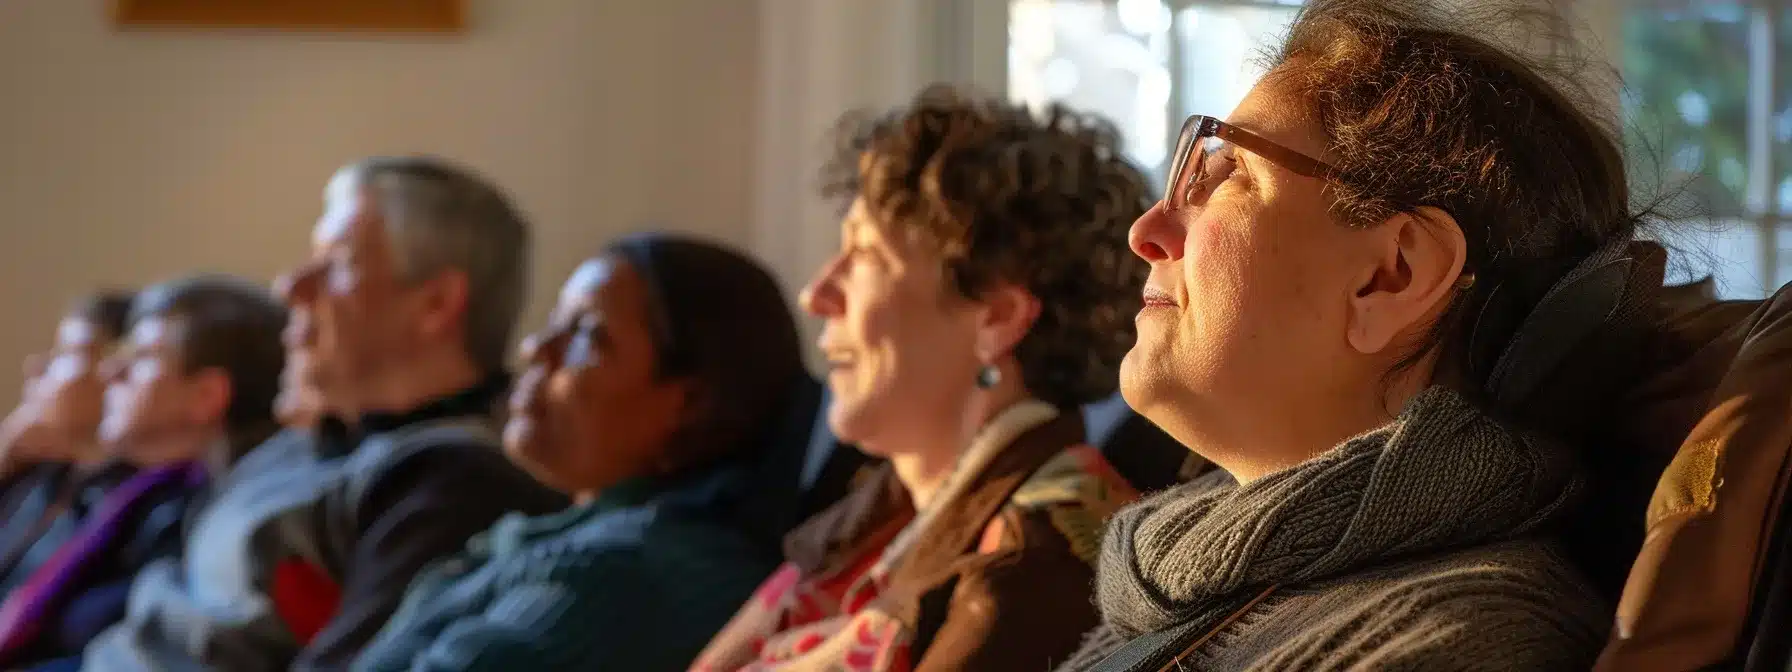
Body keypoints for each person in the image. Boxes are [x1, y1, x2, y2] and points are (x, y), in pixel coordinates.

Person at [1057, 0, 1654, 669]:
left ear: (1392, 277)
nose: (1147, 232)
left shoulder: (1460, 644)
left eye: (1230, 175)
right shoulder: (1201, 588)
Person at [691, 86, 1150, 672]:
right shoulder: (873, 520)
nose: (816, 294)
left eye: (865, 257)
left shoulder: (1035, 567)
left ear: (997, 317)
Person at [78, 157, 567, 672]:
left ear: (436, 304)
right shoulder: (301, 443)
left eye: (335, 265)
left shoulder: (456, 480)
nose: (290, 288)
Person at [354, 233, 806, 671]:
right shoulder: (570, 542)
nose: (536, 349)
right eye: (554, 324)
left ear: (687, 404)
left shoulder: (625, 578)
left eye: (587, 336)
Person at [8, 275, 287, 670]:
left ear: (205, 396)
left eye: (142, 357)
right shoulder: (114, 497)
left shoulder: (201, 520)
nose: (111, 372)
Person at [0, 292, 136, 598]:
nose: (36, 367)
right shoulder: (38, 474)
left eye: (66, 352)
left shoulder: (130, 509)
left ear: (116, 373)